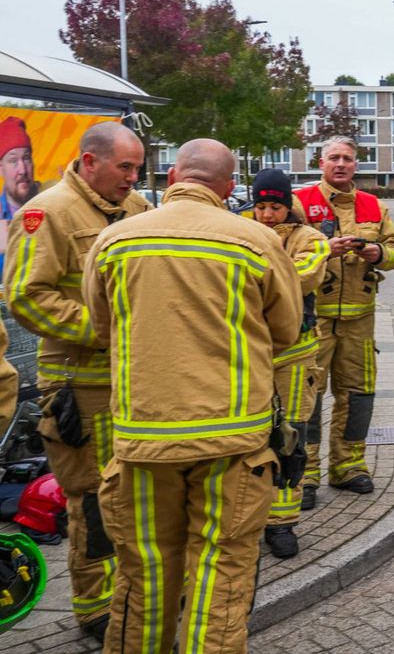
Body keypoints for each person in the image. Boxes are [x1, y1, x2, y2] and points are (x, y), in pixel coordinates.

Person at [82, 139, 302, 654]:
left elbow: (100, 328)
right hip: (233, 444)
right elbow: (286, 331)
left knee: (143, 578)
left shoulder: (114, 240)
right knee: (220, 577)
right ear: (228, 188)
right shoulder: (256, 241)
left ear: (172, 174)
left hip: (141, 443)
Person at [2, 121, 149, 641]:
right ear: (90, 162)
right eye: (124, 167)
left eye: (138, 167)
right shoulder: (49, 214)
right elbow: (26, 295)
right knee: (91, 500)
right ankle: (95, 606)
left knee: (133, 495)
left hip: (133, 383)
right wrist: (105, 331)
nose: (134, 178)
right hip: (78, 391)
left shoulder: (135, 211)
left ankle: (134, 592)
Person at [295, 137, 394, 506]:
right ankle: (305, 474)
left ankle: (349, 467)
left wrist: (377, 253)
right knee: (308, 396)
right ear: (320, 162)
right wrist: (324, 250)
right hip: (314, 320)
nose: (341, 164)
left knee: (357, 396)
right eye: (334, 158)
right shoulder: (300, 203)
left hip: (360, 319)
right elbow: (281, 250)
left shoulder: (374, 205)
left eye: (348, 159)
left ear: (357, 165)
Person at [245, 168, 329, 559]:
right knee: (250, 437)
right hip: (250, 352)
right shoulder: (239, 228)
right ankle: (251, 515)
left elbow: (302, 277)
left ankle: (282, 522)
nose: (265, 214)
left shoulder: (309, 238)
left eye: (274, 206)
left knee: (289, 435)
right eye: (260, 206)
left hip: (294, 356)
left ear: (287, 205)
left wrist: (248, 279)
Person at [0, 117, 41, 269]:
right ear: (0, 168)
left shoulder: (54, 205)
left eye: (26, 158)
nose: (22, 170)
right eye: (13, 161)